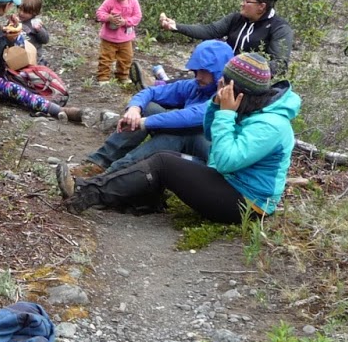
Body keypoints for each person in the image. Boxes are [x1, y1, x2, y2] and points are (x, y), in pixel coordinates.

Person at [55, 52, 300, 224]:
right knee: (168, 157)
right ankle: (139, 200)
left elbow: (226, 160)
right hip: (228, 182)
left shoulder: (271, 125)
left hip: (247, 204)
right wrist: (216, 106)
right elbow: (210, 134)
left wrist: (225, 114)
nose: (220, 86)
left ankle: (85, 194)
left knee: (164, 163)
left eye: (225, 83)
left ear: (239, 89)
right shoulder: (251, 107)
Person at [75, 40, 234, 176]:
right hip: (183, 143)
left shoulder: (226, 96)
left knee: (175, 134)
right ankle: (97, 163)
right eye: (197, 71)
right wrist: (134, 109)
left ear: (220, 72)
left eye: (204, 71)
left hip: (208, 161)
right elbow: (151, 91)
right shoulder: (194, 86)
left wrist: (144, 122)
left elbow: (189, 118)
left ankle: (110, 175)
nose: (198, 76)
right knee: (149, 107)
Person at [159, 0, 294, 78]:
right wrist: (176, 26)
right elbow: (210, 31)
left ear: (261, 7)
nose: (242, 4)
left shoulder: (279, 28)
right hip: (222, 73)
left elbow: (279, 65)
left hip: (248, 82)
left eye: (247, 1)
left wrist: (245, 68)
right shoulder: (237, 18)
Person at [94, 0, 142, 86]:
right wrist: (109, 17)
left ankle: (123, 76)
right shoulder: (110, 1)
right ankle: (103, 77)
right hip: (109, 38)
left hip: (126, 38)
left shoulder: (133, 1)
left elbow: (137, 16)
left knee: (126, 58)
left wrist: (125, 22)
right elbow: (99, 13)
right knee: (105, 58)